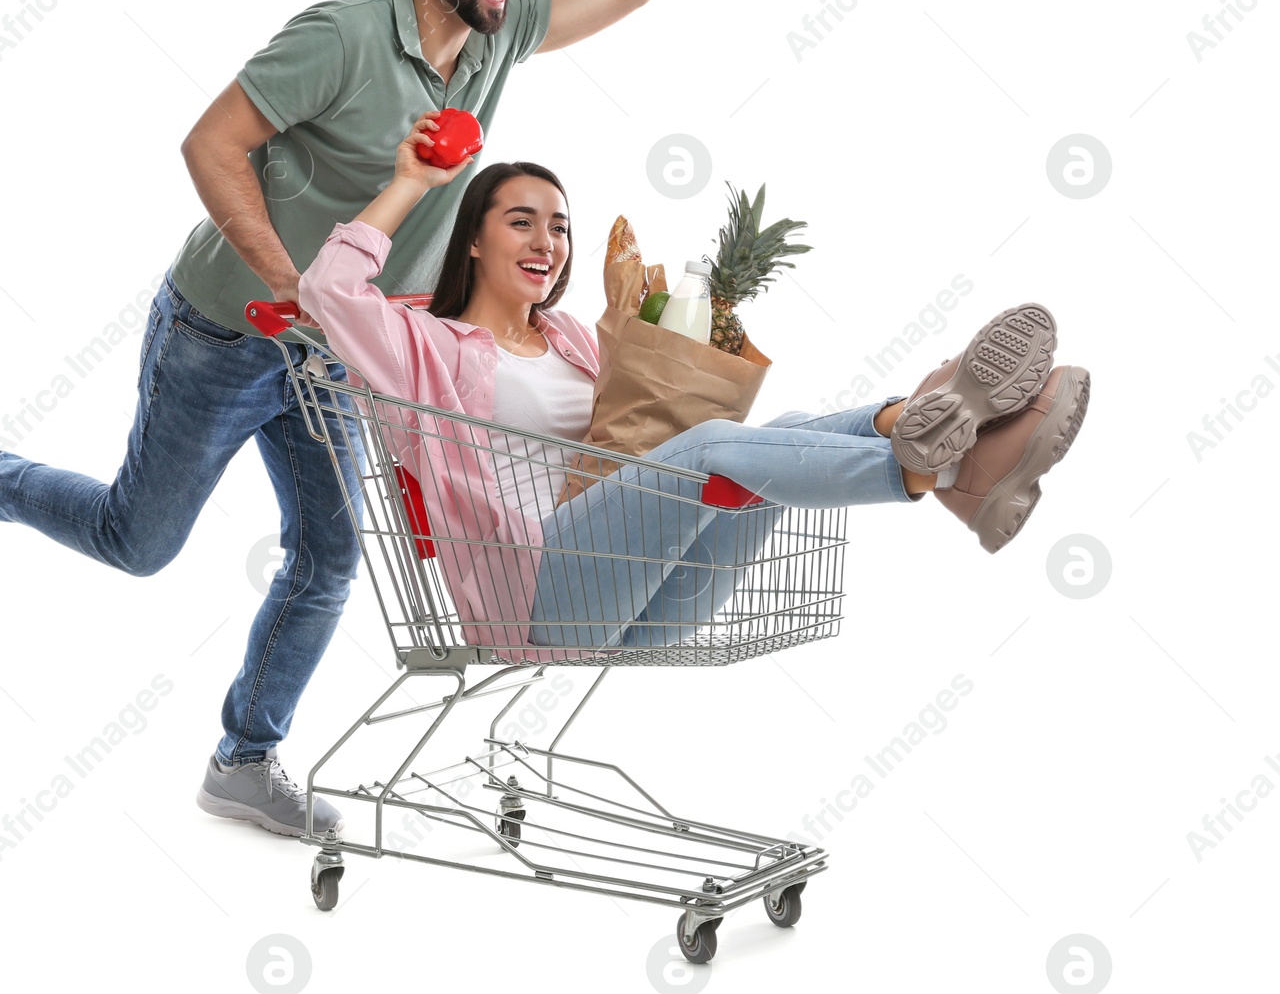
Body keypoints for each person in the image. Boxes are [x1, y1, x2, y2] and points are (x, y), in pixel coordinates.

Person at [0, 0, 662, 837]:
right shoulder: (340, 38)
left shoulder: (499, 32)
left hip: (335, 356)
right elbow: (210, 145)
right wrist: (292, 282)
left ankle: (243, 759)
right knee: (139, 541)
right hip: (226, 328)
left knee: (331, 554)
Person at [297, 115, 1093, 651]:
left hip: (649, 596)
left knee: (790, 422)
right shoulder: (426, 346)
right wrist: (410, 180)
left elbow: (636, 437)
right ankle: (931, 464)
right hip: (533, 599)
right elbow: (328, 292)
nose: (548, 242)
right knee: (716, 447)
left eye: (561, 225)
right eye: (522, 221)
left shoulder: (575, 339)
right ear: (472, 238)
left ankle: (937, 443)